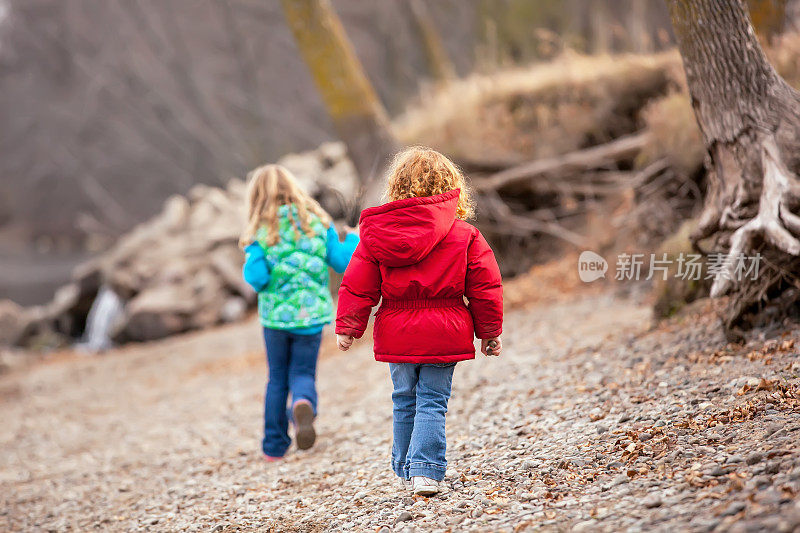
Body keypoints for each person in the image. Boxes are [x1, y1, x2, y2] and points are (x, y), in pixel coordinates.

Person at [335, 147, 503, 495]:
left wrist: (348, 328)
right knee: (432, 400)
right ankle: (424, 471)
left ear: (396, 188)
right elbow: (485, 287)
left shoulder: (376, 235)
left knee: (403, 397)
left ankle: (405, 466)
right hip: (445, 329)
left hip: (397, 331)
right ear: (450, 187)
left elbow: (357, 284)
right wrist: (489, 333)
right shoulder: (465, 235)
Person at [240, 164, 358, 461]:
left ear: (256, 196)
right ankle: (302, 403)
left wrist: (256, 254)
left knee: (277, 378)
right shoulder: (317, 222)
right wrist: (354, 238)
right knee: (303, 372)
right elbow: (343, 263)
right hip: (311, 316)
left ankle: (274, 446)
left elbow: (256, 279)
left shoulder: (260, 232)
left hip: (276, 321)